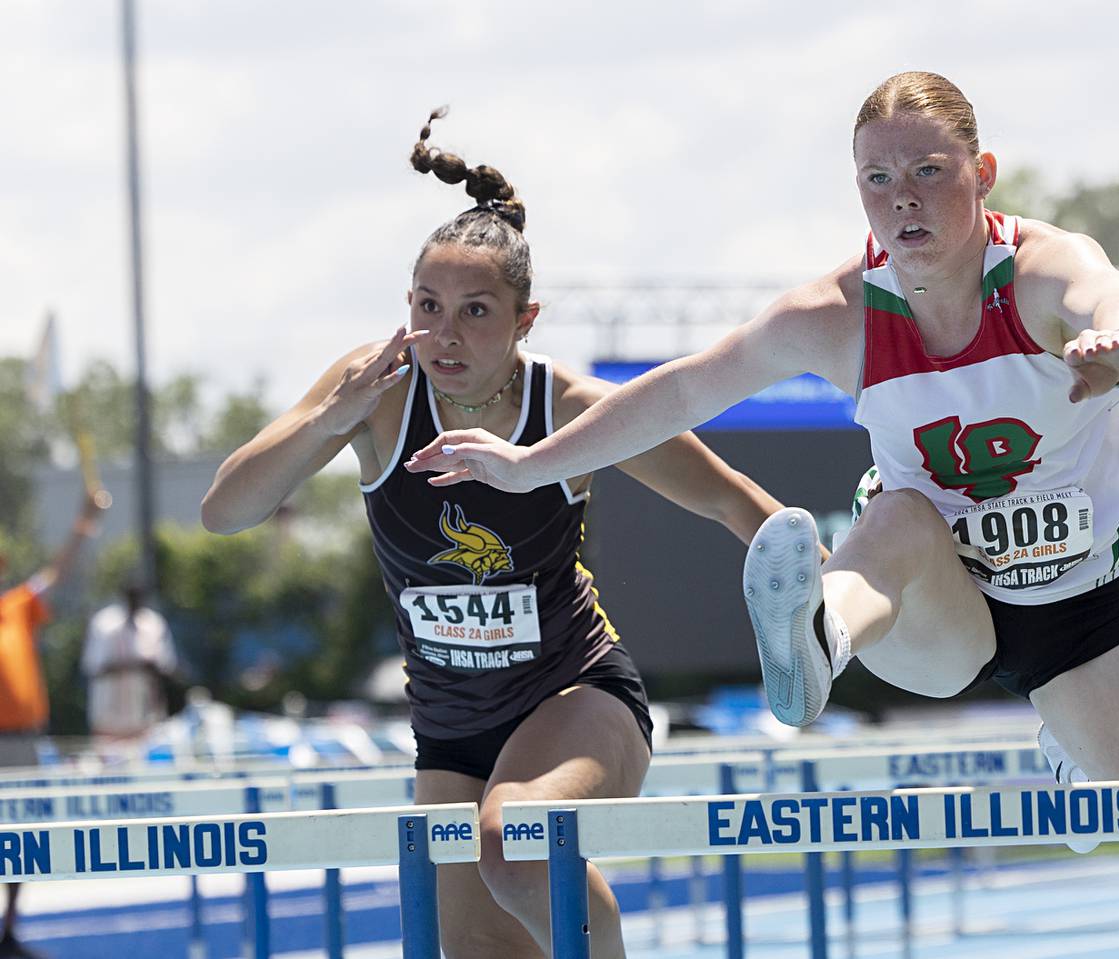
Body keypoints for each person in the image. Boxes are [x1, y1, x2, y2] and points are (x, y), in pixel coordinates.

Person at [404, 72, 1119, 910]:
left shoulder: (1042, 270)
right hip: (934, 604)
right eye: (879, 179)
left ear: (984, 175)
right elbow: (680, 391)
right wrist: (529, 465)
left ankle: (1070, 739)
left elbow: (1116, 299)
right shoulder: (837, 314)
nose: (905, 200)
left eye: (931, 173)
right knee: (899, 512)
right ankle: (819, 634)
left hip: (1076, 615)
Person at [201, 107, 791, 958]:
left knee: (516, 841)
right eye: (427, 306)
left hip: (577, 700)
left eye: (476, 311)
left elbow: (738, 504)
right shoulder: (375, 394)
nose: (444, 334)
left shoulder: (575, 410)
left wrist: (833, 611)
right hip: (450, 734)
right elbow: (227, 509)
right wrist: (334, 413)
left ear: (526, 319)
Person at [0, 490, 104, 958]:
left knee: (21, 835)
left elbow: (59, 570)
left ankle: (9, 928)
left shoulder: (18, 606)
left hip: (21, 741)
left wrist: (84, 521)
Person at [82, 581, 178, 741]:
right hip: (110, 715)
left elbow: (166, 665)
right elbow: (93, 665)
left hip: (145, 712)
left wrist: (147, 666)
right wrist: (132, 664)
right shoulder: (105, 624)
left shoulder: (153, 623)